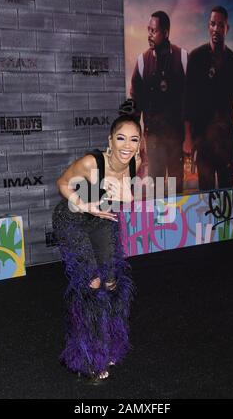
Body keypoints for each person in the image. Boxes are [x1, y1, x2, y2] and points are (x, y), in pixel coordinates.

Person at [52, 113, 142, 381]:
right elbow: (61, 184)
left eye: (134, 139)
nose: (127, 145)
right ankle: (88, 356)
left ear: (139, 143)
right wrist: (85, 204)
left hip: (102, 221)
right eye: (121, 138)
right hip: (73, 219)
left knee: (112, 282)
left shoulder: (135, 162)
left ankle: (111, 344)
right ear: (110, 141)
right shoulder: (92, 162)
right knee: (91, 283)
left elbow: (127, 196)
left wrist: (125, 193)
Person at [183, 5, 233, 191]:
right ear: (208, 26)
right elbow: (188, 100)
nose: (216, 29)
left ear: (227, 28)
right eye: (212, 24)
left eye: (220, 25)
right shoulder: (196, 57)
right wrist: (187, 137)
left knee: (227, 191)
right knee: (206, 192)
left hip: (226, 138)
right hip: (202, 139)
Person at [130, 10, 188, 194]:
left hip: (176, 140)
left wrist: (189, 137)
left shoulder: (183, 58)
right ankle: (159, 222)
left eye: (153, 31)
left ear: (166, 33)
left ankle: (177, 222)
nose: (149, 34)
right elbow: (135, 105)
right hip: (153, 140)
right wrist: (137, 139)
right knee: (155, 192)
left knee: (176, 191)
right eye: (148, 30)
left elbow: (191, 101)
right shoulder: (142, 62)